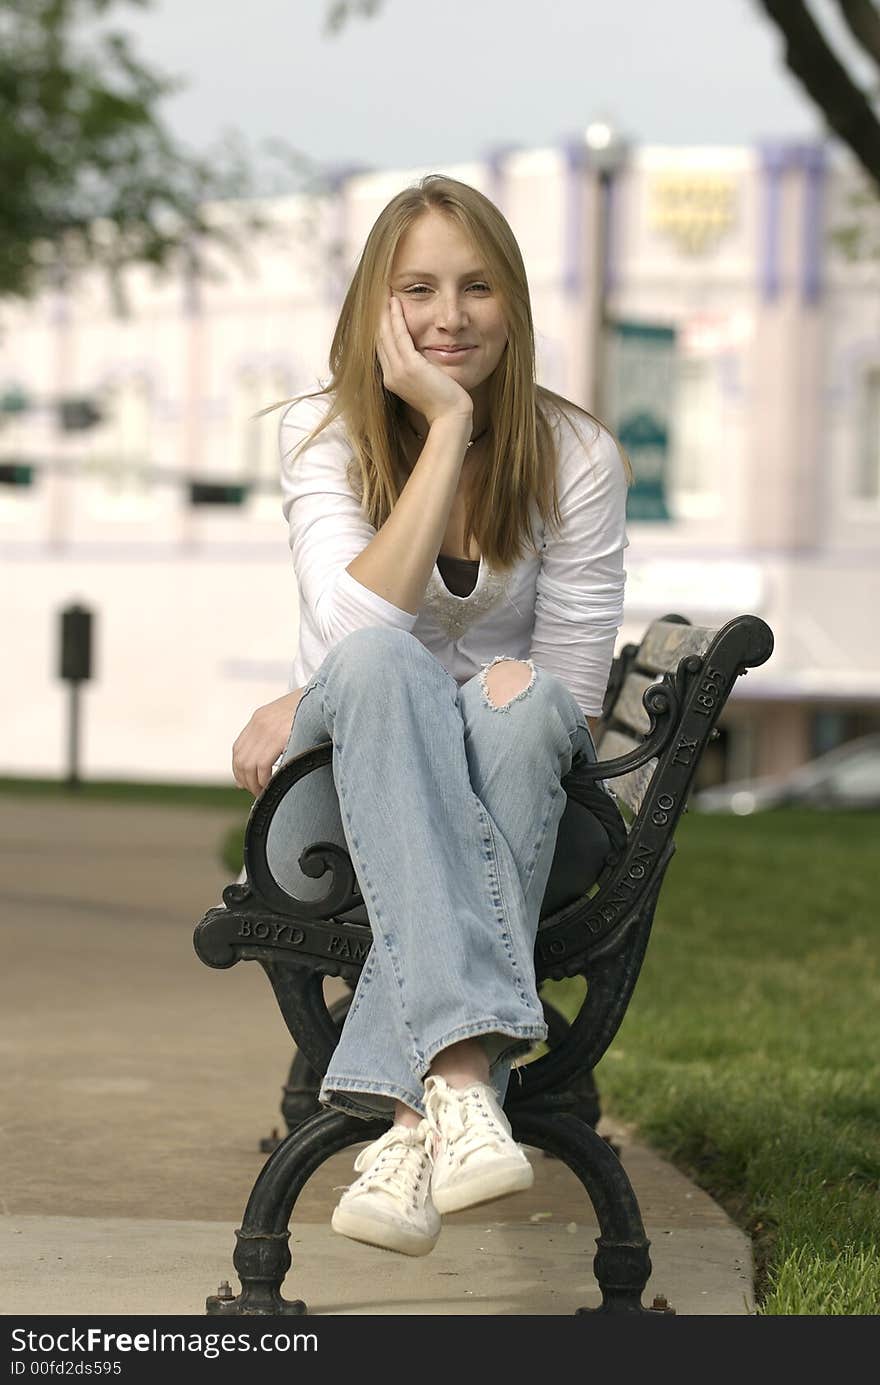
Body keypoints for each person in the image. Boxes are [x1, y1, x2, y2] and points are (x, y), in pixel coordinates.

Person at [231, 173, 630, 1259]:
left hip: (516, 777)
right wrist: (447, 424)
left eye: (476, 288)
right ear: (377, 305)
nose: (448, 317)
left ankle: (414, 1124)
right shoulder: (321, 433)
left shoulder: (577, 456)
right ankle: (461, 1081)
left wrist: (507, 698)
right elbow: (357, 623)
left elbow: (573, 694)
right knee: (380, 662)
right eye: (418, 289)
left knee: (521, 709)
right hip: (351, 793)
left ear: (515, 305)